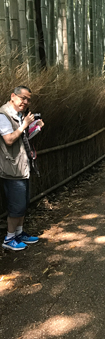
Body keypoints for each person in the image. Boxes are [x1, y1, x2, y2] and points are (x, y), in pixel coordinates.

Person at [0, 86, 44, 251]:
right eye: (22, 98)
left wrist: (35, 127)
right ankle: (9, 238)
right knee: (16, 205)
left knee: (23, 203)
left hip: (22, 165)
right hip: (12, 168)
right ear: (13, 96)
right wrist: (25, 124)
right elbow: (9, 140)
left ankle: (19, 233)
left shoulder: (19, 115)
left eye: (28, 99)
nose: (25, 102)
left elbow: (22, 137)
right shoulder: (3, 115)